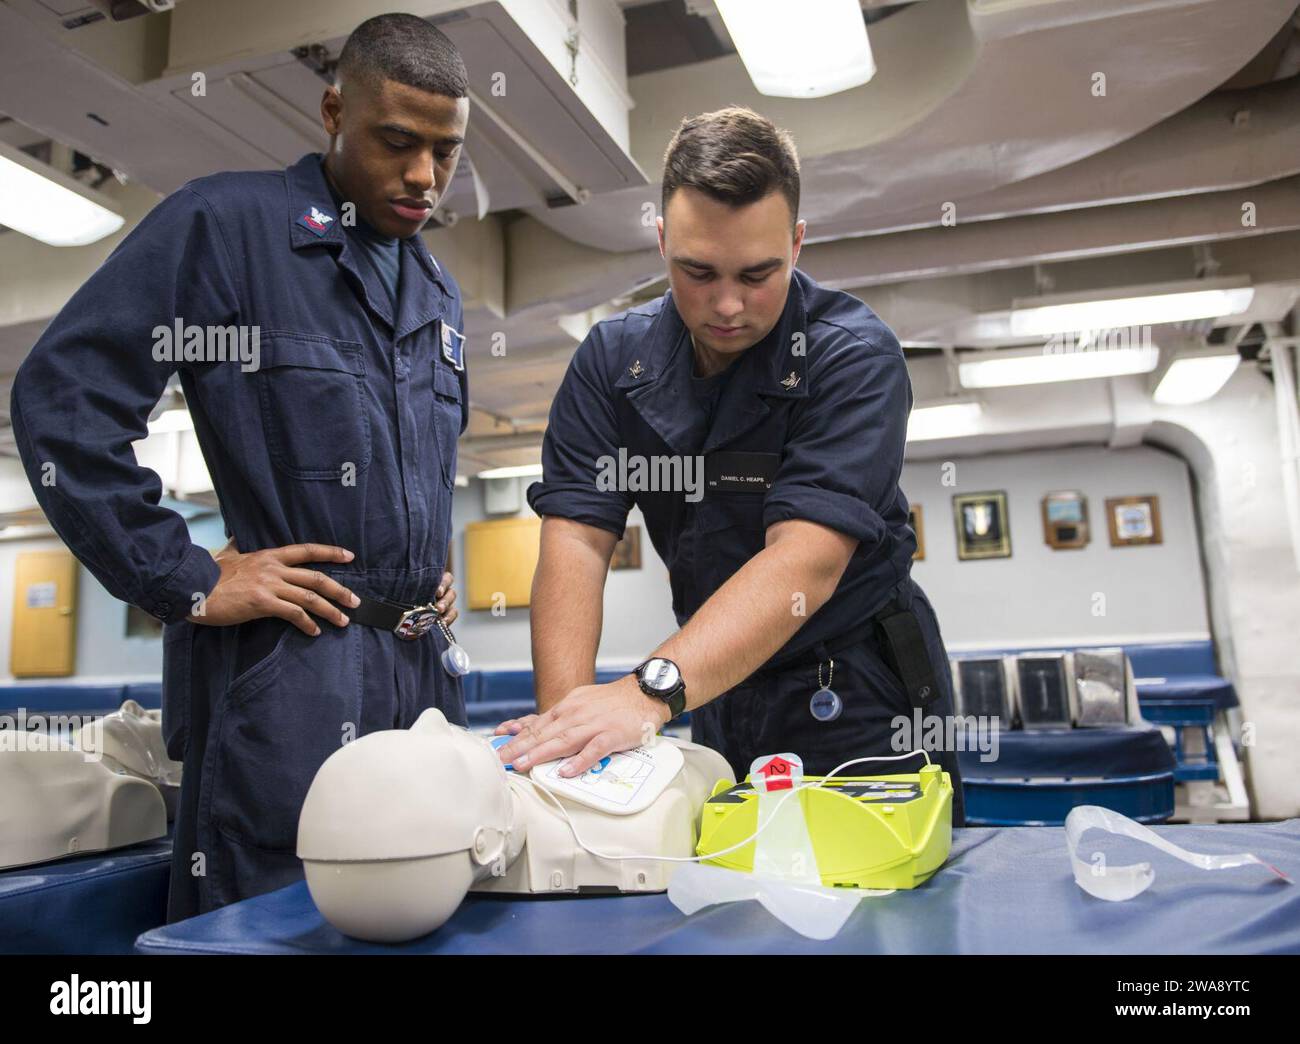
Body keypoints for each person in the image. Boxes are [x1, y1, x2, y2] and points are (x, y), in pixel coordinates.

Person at [10, 13, 474, 917]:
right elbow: (63, 401)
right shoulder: (226, 227)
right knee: (270, 925)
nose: (424, 175)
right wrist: (184, 576)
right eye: (397, 142)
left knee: (426, 911)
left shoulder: (438, 288)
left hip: (420, 675)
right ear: (334, 112)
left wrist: (433, 563)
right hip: (293, 675)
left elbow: (412, 459)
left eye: (446, 151)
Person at [498, 107, 965, 825]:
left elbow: (802, 563)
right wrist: (566, 742)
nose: (726, 305)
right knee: (729, 898)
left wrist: (647, 692)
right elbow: (577, 543)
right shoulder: (609, 363)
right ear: (661, 242)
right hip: (714, 680)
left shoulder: (853, 357)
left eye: (757, 274)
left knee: (880, 918)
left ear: (798, 243)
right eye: (697, 271)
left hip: (857, 690)